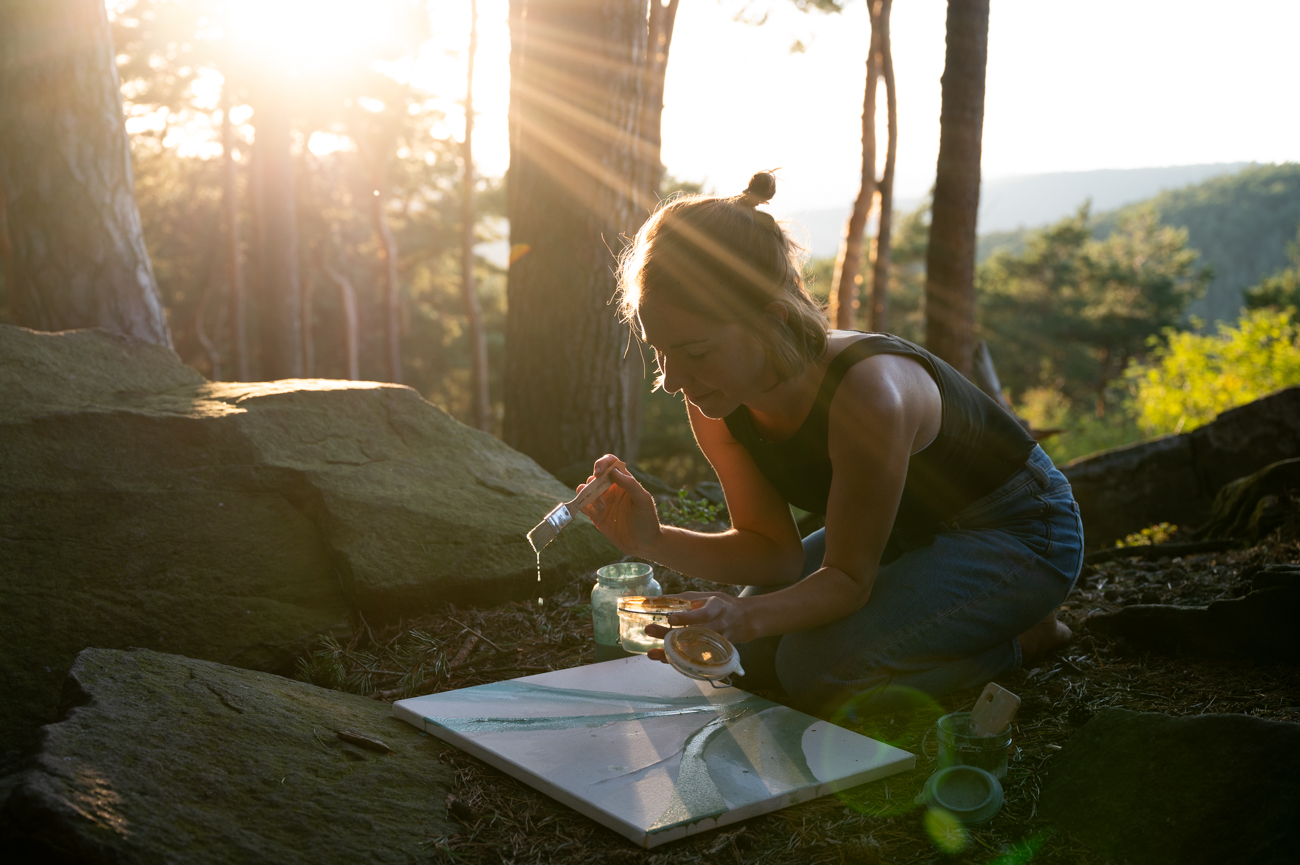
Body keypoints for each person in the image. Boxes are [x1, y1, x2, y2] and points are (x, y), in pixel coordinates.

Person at [579, 171, 1083, 718]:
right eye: (660, 351)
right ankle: (951, 610)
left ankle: (1022, 637)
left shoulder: (868, 393)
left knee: (815, 674)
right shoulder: (717, 399)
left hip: (1019, 530)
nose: (673, 378)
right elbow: (772, 553)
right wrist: (650, 539)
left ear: (770, 320)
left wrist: (745, 612)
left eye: (695, 351)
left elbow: (846, 580)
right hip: (901, 534)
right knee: (743, 655)